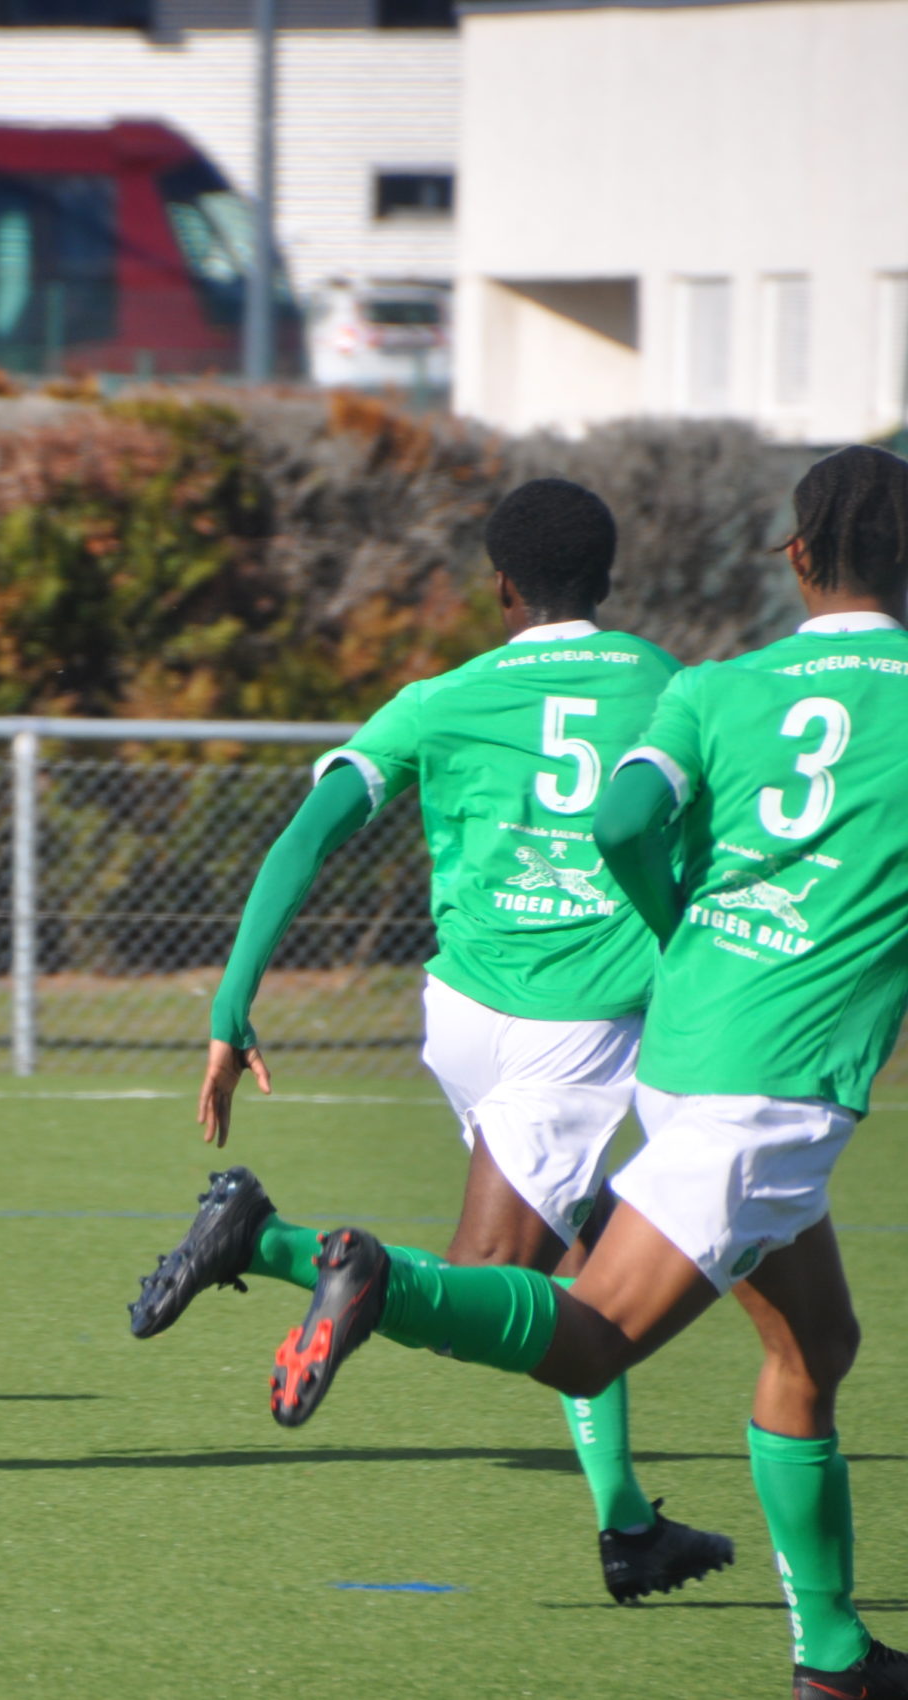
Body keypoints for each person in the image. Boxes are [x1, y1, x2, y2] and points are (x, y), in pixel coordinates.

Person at [265, 446, 908, 1700]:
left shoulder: (718, 688)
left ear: (791, 557)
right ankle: (366, 1273)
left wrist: (683, 919)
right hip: (772, 1084)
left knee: (816, 1339)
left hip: (684, 1041)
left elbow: (620, 822)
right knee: (589, 1342)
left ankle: (832, 1651)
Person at [128, 477, 733, 1602]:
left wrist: (228, 1010)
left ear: (499, 583)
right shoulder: (674, 686)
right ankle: (268, 1240)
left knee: (583, 1271)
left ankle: (628, 1525)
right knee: (491, 1286)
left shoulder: (437, 695)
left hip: (460, 1012)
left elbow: (303, 837)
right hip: (584, 1026)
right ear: (606, 577)